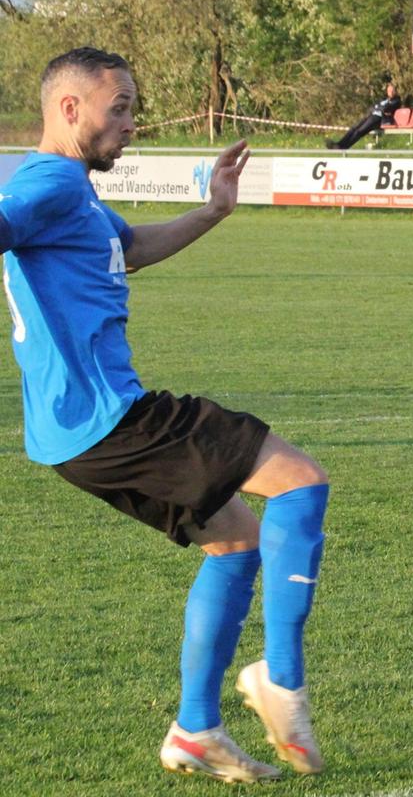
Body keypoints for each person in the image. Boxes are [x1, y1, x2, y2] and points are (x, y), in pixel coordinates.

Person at [1, 47, 332, 783]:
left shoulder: (67, 189)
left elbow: (131, 247)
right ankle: (280, 682)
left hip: (73, 435)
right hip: (112, 417)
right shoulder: (51, 185)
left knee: (238, 542)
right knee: (300, 483)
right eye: (118, 107)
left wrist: (214, 209)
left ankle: (195, 729)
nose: (131, 121)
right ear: (69, 110)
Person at [326, 82, 400, 150]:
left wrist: (378, 107)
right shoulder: (384, 99)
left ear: (395, 91)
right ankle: (339, 144)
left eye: (392, 90)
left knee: (359, 131)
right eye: (389, 90)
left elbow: (386, 108)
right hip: (372, 115)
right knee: (353, 128)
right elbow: (373, 106)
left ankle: (344, 147)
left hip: (380, 119)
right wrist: (378, 107)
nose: (390, 92)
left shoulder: (396, 100)